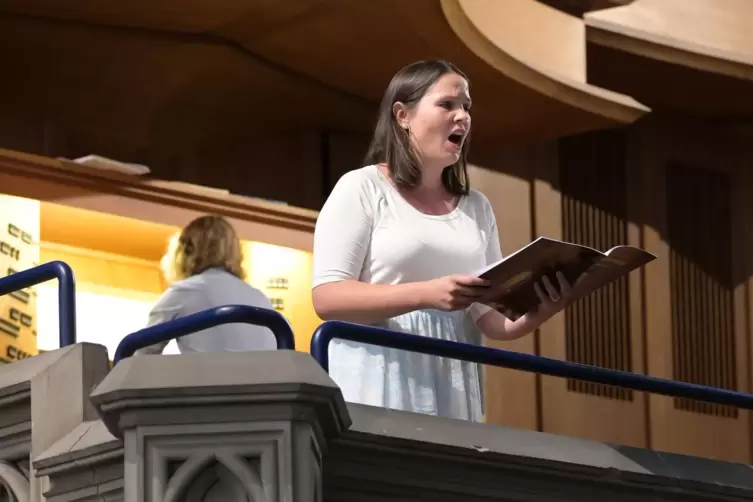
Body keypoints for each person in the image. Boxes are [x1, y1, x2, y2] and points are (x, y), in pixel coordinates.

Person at [311, 59, 582, 422]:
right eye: (447, 104)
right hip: (378, 374)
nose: (463, 117)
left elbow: (490, 319)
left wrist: (542, 308)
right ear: (402, 115)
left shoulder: (477, 207)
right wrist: (426, 294)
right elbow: (327, 297)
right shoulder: (361, 188)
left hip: (454, 378)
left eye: (467, 107)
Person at [134, 214, 279, 355]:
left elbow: (138, 359)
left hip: (212, 380)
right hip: (266, 380)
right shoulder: (262, 301)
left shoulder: (184, 292)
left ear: (185, 251)